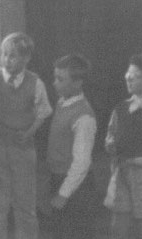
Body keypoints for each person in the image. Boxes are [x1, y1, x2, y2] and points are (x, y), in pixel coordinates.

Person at [0, 32, 53, 239]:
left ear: (26, 58)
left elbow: (44, 111)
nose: (7, 60)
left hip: (23, 148)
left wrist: (29, 132)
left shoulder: (35, 82)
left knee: (25, 202)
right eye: (4, 54)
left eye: (13, 56)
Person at [104, 54, 142, 239]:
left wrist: (137, 160)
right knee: (118, 227)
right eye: (128, 73)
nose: (128, 77)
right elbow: (110, 137)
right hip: (121, 175)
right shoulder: (120, 109)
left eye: (135, 75)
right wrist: (112, 146)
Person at [46, 54, 97, 239]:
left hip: (77, 188)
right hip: (59, 179)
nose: (54, 83)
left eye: (60, 79)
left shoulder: (84, 116)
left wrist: (64, 194)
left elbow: (82, 163)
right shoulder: (62, 102)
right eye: (55, 77)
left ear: (78, 83)